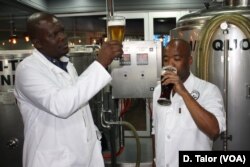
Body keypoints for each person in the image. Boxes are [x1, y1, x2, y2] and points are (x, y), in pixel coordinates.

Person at [14, 12, 123, 167]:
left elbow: (78, 101)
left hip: (82, 157)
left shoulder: (67, 65)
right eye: (54, 34)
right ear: (37, 43)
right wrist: (100, 64)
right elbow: (61, 105)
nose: (63, 37)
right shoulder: (27, 69)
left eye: (62, 31)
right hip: (53, 160)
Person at [152, 38, 226, 167]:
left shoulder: (208, 90)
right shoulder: (158, 90)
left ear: (189, 61)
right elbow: (156, 130)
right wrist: (155, 160)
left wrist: (184, 92)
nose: (170, 64)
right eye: (166, 59)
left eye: (177, 59)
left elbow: (214, 130)